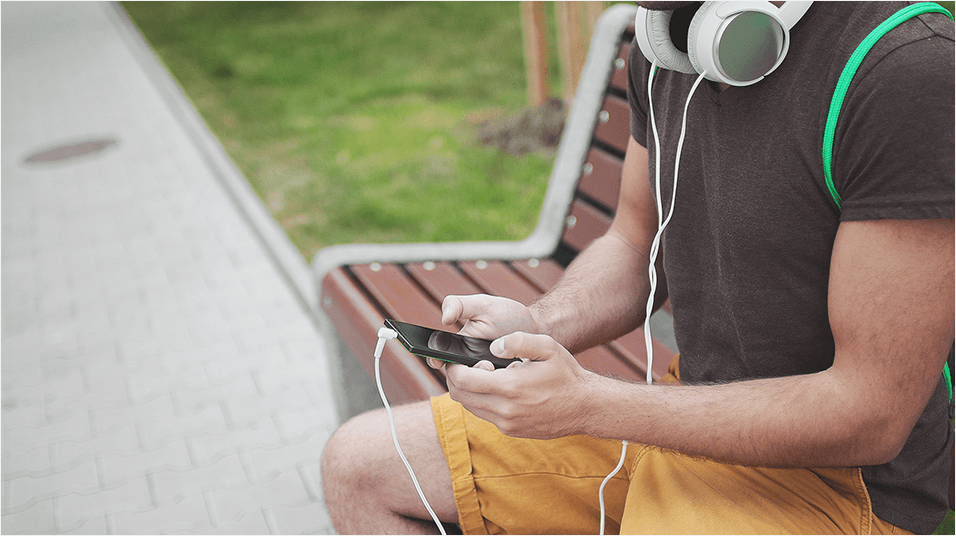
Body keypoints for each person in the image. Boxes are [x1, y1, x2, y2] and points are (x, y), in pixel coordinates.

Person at [321, 2, 954, 533]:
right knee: (360, 465)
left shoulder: (905, 71)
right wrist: (537, 324)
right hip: (682, 418)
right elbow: (632, 245)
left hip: (836, 484)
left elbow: (871, 412)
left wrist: (592, 404)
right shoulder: (669, 42)